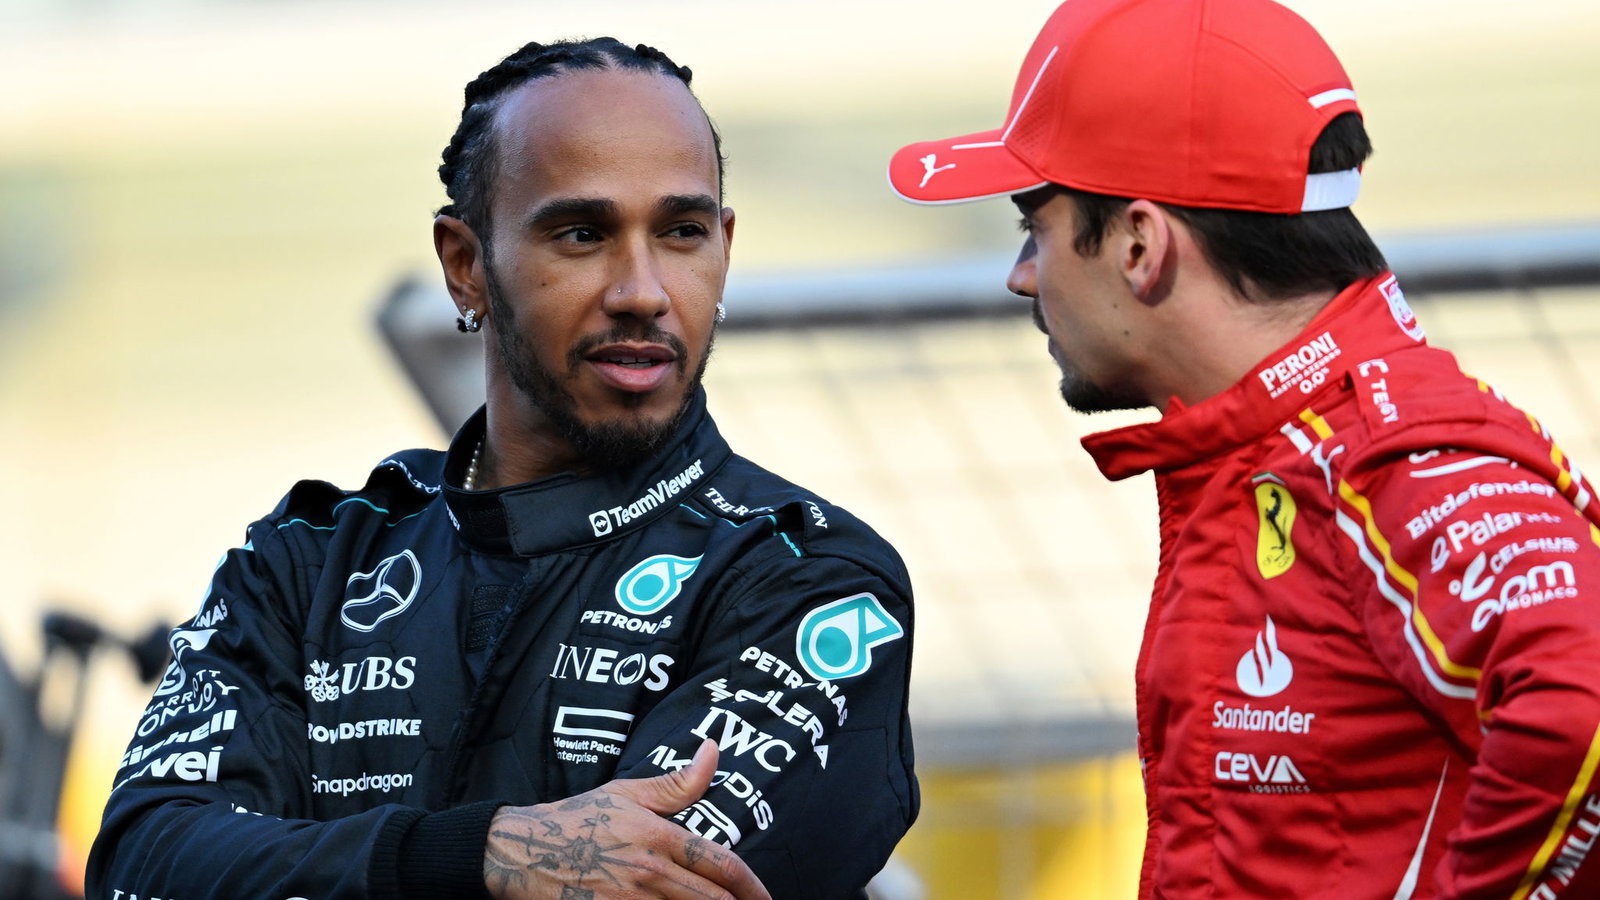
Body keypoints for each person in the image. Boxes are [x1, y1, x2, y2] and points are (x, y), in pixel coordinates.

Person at [88, 37, 918, 900]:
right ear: (466, 265)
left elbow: (640, 888)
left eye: (681, 232)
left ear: (725, 248)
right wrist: (476, 854)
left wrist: (325, 862)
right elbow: (149, 860)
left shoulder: (809, 581)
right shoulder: (309, 561)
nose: (641, 289)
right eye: (582, 233)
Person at [887, 1, 1600, 897]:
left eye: (1034, 223)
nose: (1021, 273)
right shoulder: (1273, 455)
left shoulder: (1385, 462)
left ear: (1140, 244)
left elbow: (1586, 707)